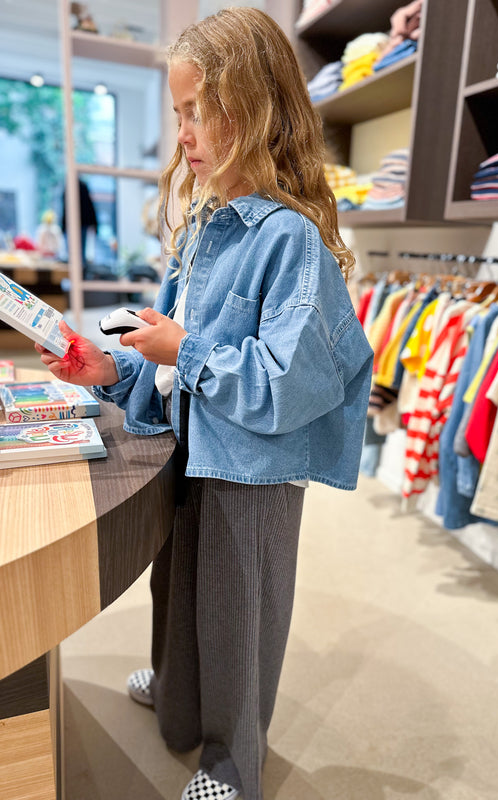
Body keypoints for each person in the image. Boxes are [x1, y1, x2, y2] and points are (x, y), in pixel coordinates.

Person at [36, 8, 373, 800]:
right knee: (178, 585)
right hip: (197, 446)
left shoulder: (289, 240)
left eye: (196, 112)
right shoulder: (203, 229)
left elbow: (288, 380)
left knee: (238, 616)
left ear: (252, 110)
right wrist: (109, 366)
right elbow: (166, 347)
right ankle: (184, 700)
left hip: (251, 473)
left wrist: (179, 350)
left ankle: (232, 764)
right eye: (178, 112)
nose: (182, 133)